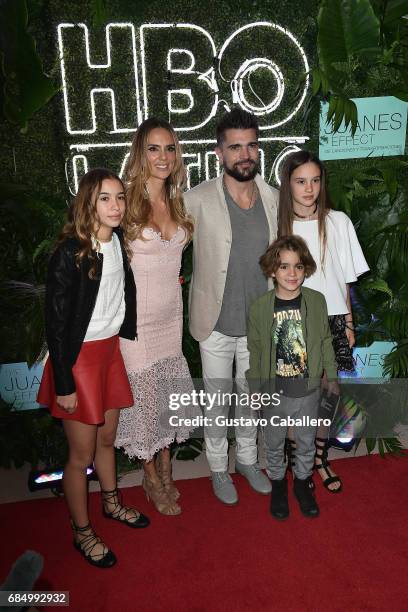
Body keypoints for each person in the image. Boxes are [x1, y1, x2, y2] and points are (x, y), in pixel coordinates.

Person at [37, 168, 149, 569]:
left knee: (107, 440)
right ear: (88, 202)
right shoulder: (69, 252)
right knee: (80, 454)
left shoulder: (117, 241)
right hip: (78, 361)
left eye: (120, 197)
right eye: (105, 198)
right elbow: (56, 323)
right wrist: (64, 382)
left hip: (109, 354)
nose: (116, 206)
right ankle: (81, 530)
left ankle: (111, 503)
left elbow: (120, 294)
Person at [184, 108, 278, 505]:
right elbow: (167, 245)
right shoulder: (197, 199)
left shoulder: (274, 197)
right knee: (218, 403)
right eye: (235, 146)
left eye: (251, 145)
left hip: (260, 323)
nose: (245, 154)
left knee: (250, 400)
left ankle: (247, 461)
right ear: (219, 152)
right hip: (216, 323)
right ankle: (219, 469)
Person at [115, 117, 195, 516]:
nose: (163, 157)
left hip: (171, 320)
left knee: (167, 397)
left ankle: (165, 467)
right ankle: (150, 474)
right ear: (140, 153)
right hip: (136, 326)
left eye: (169, 148)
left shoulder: (178, 201)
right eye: (153, 148)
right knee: (145, 402)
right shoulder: (124, 202)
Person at [278, 150, 369, 492]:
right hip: (292, 319)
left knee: (327, 395)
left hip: (332, 320)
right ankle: (296, 462)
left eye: (315, 180)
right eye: (301, 181)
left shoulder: (338, 221)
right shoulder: (279, 226)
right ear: (288, 184)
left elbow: (345, 280)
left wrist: (348, 322)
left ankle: (318, 459)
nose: (309, 188)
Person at [247, 235, 338, 519]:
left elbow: (324, 340)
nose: (291, 274)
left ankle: (301, 484)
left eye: (298, 267)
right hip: (275, 391)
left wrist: (331, 376)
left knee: (306, 442)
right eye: (284, 267)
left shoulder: (316, 301)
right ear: (272, 270)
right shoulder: (261, 307)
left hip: (308, 390)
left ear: (305, 269)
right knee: (273, 443)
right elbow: (257, 351)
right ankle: (277, 485)